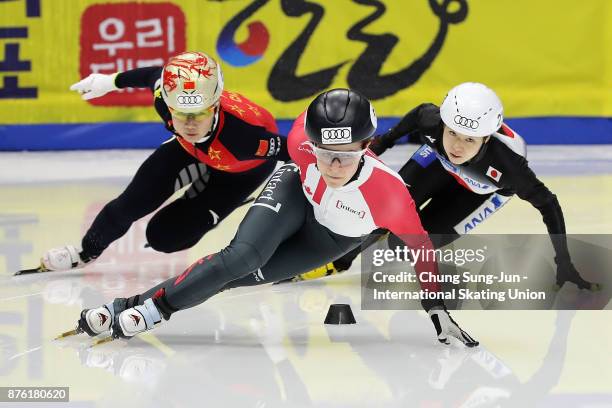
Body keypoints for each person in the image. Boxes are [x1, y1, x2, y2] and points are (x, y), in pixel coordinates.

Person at [67, 89, 479, 347]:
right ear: (310, 143)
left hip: (330, 240)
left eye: (347, 155)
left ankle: (129, 305)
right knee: (239, 258)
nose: (334, 165)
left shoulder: (390, 197)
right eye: (324, 152)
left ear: (368, 146)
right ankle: (152, 311)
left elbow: (422, 252)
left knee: (235, 277)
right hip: (295, 193)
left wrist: (436, 309)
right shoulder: (300, 144)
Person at [331, 82, 599, 291]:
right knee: (386, 209)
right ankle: (342, 259)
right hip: (437, 162)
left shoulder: (510, 167)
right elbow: (416, 115)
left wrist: (563, 262)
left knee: (401, 244)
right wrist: (382, 144)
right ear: (443, 125)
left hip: (481, 191)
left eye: (470, 140)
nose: (458, 147)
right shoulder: (432, 121)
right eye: (453, 134)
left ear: (486, 139)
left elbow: (549, 203)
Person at [37, 51, 289, 272]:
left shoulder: (244, 139)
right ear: (168, 104)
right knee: (127, 206)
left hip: (241, 171)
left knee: (163, 238)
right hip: (189, 150)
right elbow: (153, 75)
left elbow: (297, 150)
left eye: (199, 113)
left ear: (215, 105)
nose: (190, 124)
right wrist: (110, 82)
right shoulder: (164, 99)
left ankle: (224, 206)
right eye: (181, 114)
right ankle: (84, 254)